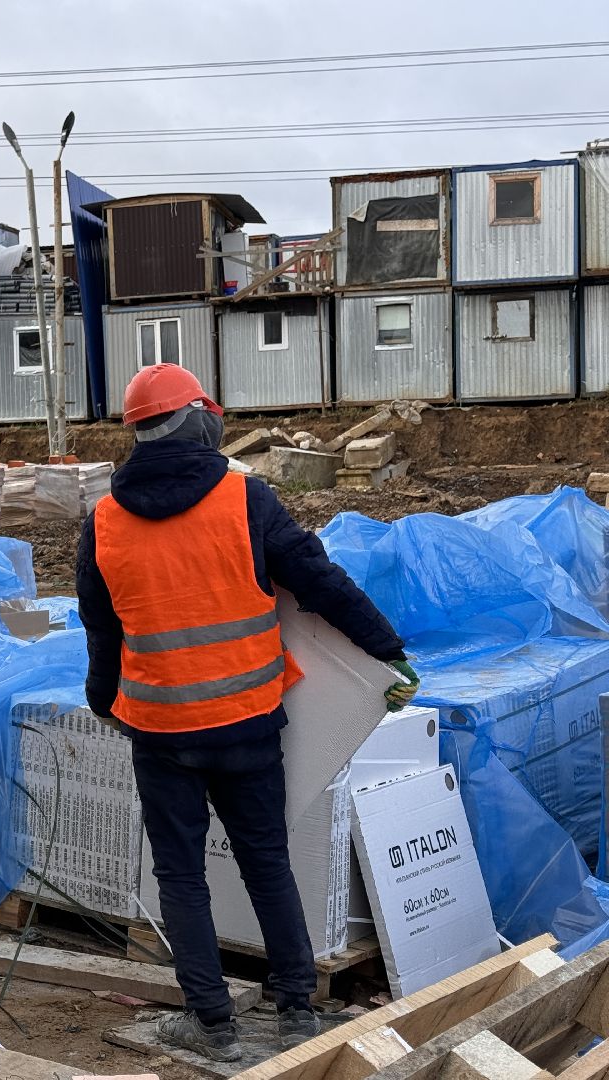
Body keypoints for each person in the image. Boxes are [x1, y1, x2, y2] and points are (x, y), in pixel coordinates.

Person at [76, 364, 418, 1063]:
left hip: (162, 731)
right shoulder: (245, 498)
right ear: (203, 419)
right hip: (247, 724)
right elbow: (319, 583)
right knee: (265, 862)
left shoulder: (104, 521)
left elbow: (100, 631)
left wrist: (104, 702)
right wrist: (388, 653)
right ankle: (295, 1010)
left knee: (181, 877)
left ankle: (212, 1025)